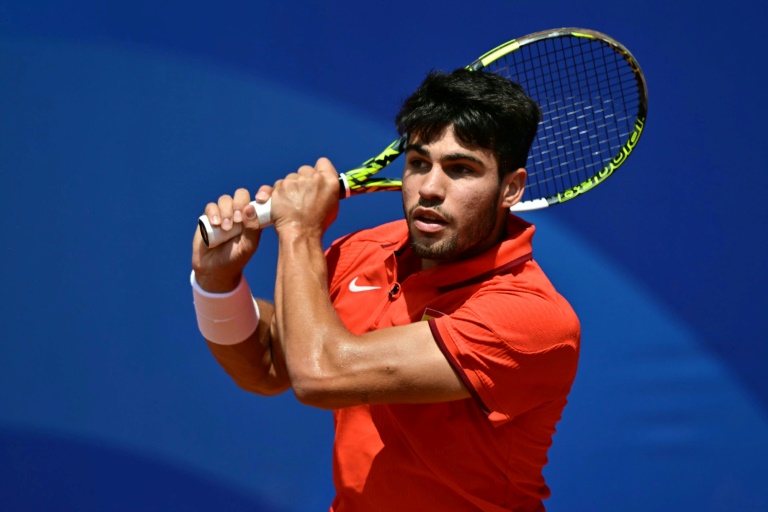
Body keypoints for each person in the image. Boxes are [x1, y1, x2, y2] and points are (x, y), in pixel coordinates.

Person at [190, 69, 580, 512]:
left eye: (461, 169)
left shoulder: (531, 317)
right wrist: (217, 283)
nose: (430, 188)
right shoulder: (364, 251)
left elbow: (321, 374)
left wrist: (298, 230)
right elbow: (266, 366)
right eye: (418, 162)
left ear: (510, 187)